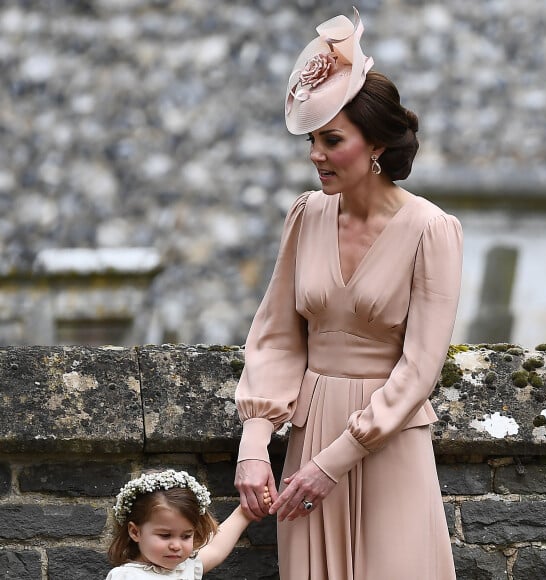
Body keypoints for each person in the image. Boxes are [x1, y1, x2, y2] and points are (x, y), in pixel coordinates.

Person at [234, 7, 462, 580]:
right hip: (309, 432)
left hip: (386, 446)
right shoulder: (307, 215)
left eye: (331, 140)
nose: (315, 154)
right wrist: (256, 444)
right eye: (312, 139)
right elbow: (277, 337)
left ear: (377, 145)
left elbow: (419, 368)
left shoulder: (432, 230)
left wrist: (332, 463)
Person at [106, 469, 271, 579]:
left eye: (186, 536)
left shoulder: (186, 568)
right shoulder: (125, 576)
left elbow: (215, 549)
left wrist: (245, 512)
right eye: (165, 535)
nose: (176, 545)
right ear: (135, 532)